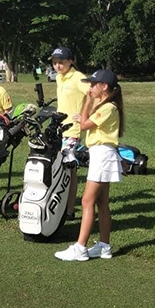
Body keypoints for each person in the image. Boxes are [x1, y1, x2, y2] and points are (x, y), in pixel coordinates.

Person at [55, 69, 124, 262]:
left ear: (105, 87)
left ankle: (80, 247)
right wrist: (90, 104)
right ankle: (104, 246)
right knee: (102, 203)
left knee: (87, 201)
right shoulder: (105, 106)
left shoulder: (108, 107)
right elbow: (87, 121)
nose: (90, 87)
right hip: (102, 155)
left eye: (94, 85)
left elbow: (84, 124)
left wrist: (86, 102)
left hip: (102, 155)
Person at [52, 47, 90, 219]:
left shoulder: (78, 77)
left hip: (72, 130)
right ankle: (63, 206)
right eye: (55, 62)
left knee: (68, 169)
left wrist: (84, 115)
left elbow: (94, 94)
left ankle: (69, 210)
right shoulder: (60, 78)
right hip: (60, 129)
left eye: (61, 62)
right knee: (62, 169)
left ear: (70, 61)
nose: (58, 66)